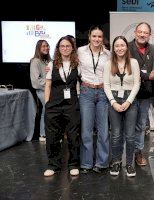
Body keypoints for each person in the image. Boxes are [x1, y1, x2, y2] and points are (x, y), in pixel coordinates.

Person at [43, 36, 80, 177]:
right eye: (62, 46)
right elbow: (47, 85)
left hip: (71, 106)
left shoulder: (77, 64)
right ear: (58, 48)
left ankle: (73, 164)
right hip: (54, 105)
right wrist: (47, 104)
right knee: (52, 136)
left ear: (72, 48)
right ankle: (53, 165)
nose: (65, 48)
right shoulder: (52, 64)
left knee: (73, 136)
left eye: (68, 46)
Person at [104, 36, 140, 177]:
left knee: (130, 136)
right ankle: (116, 162)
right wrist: (113, 102)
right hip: (113, 99)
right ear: (114, 48)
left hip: (130, 100)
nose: (120, 48)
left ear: (126, 47)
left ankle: (129, 164)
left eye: (122, 45)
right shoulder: (108, 64)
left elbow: (137, 84)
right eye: (117, 46)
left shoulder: (134, 62)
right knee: (116, 135)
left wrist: (128, 102)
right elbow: (106, 85)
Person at [78, 26, 111, 174]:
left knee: (103, 130)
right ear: (89, 37)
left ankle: (102, 163)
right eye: (94, 36)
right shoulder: (80, 51)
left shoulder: (108, 54)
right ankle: (86, 163)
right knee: (86, 130)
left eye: (99, 37)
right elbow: (67, 62)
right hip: (86, 91)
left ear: (102, 38)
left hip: (103, 92)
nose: (97, 39)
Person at [128, 22, 154, 166]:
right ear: (135, 32)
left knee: (141, 125)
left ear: (149, 35)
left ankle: (138, 152)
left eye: (145, 33)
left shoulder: (153, 49)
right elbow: (127, 68)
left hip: (146, 93)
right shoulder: (126, 47)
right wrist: (147, 76)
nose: (142, 34)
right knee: (127, 125)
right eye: (140, 32)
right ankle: (125, 153)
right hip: (128, 94)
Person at [30, 40, 51, 142]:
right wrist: (49, 85)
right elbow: (36, 81)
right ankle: (44, 134)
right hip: (42, 91)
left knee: (47, 111)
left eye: (47, 46)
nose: (46, 48)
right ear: (38, 48)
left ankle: (45, 134)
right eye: (43, 46)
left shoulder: (48, 60)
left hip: (50, 90)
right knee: (48, 111)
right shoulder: (35, 61)